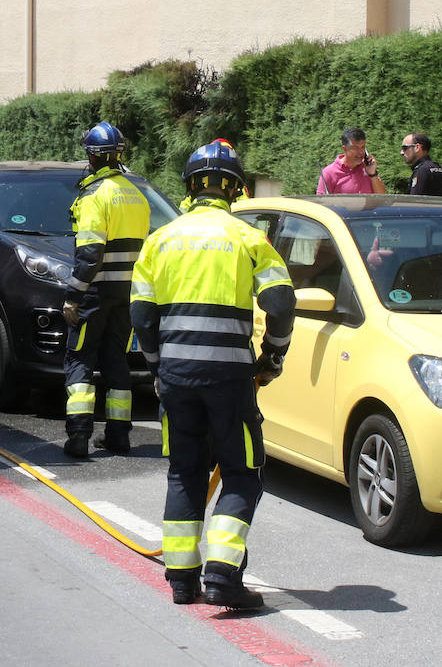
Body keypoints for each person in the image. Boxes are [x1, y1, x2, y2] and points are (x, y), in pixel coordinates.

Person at [131, 140, 295, 609]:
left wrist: (158, 367)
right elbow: (281, 304)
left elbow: (141, 316)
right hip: (229, 379)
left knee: (184, 474)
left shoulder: (161, 240)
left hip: (177, 377)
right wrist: (273, 356)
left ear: (189, 187)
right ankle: (223, 576)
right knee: (243, 474)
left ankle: (183, 582)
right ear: (236, 189)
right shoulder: (247, 239)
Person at [60, 121, 151, 459]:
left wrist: (73, 296)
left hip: (95, 293)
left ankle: (79, 436)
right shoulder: (136, 195)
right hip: (126, 294)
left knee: (79, 357)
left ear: (93, 157)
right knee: (116, 360)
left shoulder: (96, 196)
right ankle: (119, 435)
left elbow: (89, 254)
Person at [317, 127, 384, 195]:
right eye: (355, 148)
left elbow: (382, 197)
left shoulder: (368, 168)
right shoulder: (329, 173)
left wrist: (373, 174)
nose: (360, 152)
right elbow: (321, 203)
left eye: (362, 147)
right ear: (345, 148)